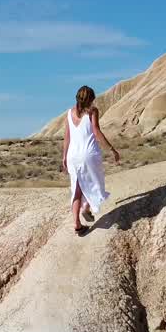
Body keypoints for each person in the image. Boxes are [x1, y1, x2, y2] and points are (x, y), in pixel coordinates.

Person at [62, 85, 120, 235]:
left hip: (73, 156)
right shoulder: (92, 111)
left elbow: (67, 137)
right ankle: (86, 207)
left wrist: (64, 156)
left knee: (77, 189)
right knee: (95, 183)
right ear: (91, 99)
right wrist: (111, 149)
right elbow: (96, 131)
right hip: (89, 154)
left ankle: (76, 224)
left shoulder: (69, 113)